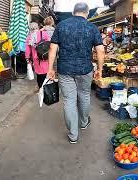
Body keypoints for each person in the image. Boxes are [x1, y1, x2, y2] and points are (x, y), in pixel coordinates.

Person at [47, 2, 105, 144]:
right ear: (87, 13)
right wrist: (100, 70)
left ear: (73, 12)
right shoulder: (92, 28)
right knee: (84, 95)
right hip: (85, 69)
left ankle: (73, 135)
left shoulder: (61, 26)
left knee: (69, 100)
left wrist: (50, 68)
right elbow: (100, 50)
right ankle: (84, 122)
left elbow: (52, 49)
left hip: (65, 69)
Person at [25, 22, 50, 89]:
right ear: (37, 27)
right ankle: (46, 87)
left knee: (39, 74)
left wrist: (28, 59)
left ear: (30, 29)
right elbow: (49, 44)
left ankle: (40, 87)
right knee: (45, 72)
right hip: (45, 56)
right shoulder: (44, 33)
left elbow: (27, 51)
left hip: (36, 58)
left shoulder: (29, 37)